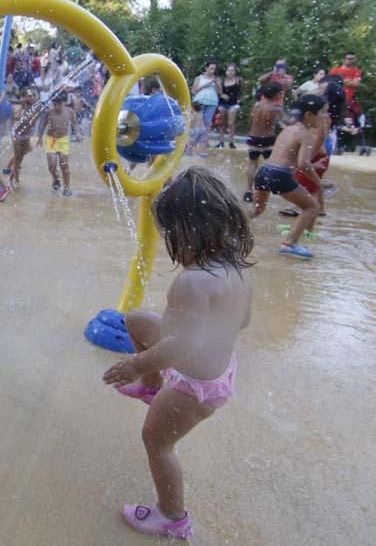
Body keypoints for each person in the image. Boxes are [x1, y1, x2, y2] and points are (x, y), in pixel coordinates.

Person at [103, 166, 253, 540]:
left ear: (187, 231)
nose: (168, 241)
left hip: (193, 385)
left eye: (169, 233)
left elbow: (180, 346)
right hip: (215, 368)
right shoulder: (235, 270)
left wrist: (136, 364)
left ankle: (172, 516)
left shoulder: (192, 281)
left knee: (157, 441)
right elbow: (243, 321)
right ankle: (154, 388)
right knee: (137, 320)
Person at [250, 94, 328, 259]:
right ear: (308, 115)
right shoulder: (306, 134)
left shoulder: (288, 129)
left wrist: (311, 168)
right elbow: (303, 164)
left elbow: (286, 158)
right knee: (312, 207)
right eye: (321, 113)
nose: (323, 117)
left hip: (264, 171)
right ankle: (289, 244)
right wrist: (319, 183)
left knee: (256, 209)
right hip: (280, 175)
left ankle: (228, 228)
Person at [243, 83, 285, 203]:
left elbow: (251, 119)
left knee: (252, 164)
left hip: (254, 137)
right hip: (268, 139)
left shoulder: (257, 105)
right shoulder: (276, 108)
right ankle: (264, 190)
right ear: (276, 95)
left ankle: (248, 191)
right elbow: (286, 123)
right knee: (269, 165)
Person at [37, 91, 76, 196]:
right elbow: (43, 125)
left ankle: (67, 187)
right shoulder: (49, 112)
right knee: (52, 165)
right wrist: (40, 138)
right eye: (55, 104)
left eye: (59, 104)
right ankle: (55, 178)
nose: (57, 107)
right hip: (51, 140)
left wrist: (78, 134)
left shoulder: (70, 112)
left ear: (64, 103)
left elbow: (74, 124)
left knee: (64, 164)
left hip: (63, 140)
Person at [7, 87, 40, 187]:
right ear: (24, 97)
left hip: (26, 136)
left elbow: (31, 120)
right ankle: (15, 179)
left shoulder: (36, 107)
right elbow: (17, 119)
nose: (32, 98)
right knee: (18, 158)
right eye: (29, 96)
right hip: (17, 135)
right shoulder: (19, 107)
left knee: (20, 156)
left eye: (33, 96)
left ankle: (10, 171)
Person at [190, 62, 221, 142]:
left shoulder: (217, 79)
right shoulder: (199, 78)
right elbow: (194, 90)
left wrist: (216, 84)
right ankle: (193, 141)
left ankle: (203, 142)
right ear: (206, 68)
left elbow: (220, 92)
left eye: (214, 69)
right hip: (200, 101)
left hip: (212, 102)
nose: (212, 70)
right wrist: (207, 84)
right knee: (197, 121)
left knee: (207, 122)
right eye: (211, 68)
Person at [329, 52, 362, 121]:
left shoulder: (356, 71)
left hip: (350, 100)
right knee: (335, 120)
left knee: (350, 121)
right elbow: (330, 82)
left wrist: (340, 80)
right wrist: (349, 81)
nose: (352, 61)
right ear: (343, 60)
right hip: (336, 100)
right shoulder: (335, 70)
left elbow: (356, 84)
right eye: (349, 59)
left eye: (353, 59)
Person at [218, 64, 242, 148]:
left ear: (235, 72)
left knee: (230, 123)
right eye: (229, 70)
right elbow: (219, 91)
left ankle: (231, 142)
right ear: (226, 72)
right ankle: (221, 141)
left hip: (233, 104)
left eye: (232, 70)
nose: (230, 72)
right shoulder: (222, 80)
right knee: (222, 122)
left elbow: (243, 91)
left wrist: (240, 100)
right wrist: (221, 95)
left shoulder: (238, 80)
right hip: (223, 103)